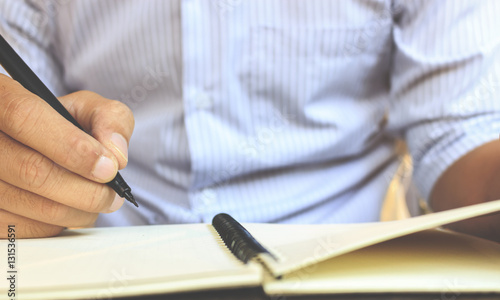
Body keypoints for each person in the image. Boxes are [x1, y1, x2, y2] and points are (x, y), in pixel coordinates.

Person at [0, 0, 499, 239]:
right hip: (91, 267)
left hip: (343, 283)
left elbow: (460, 132)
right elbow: (18, 122)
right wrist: (23, 177)